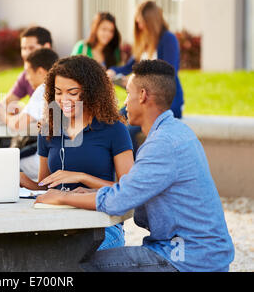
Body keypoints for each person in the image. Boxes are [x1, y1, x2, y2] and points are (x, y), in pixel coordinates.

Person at [36, 60, 235, 272]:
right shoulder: (176, 132)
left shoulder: (162, 144)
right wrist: (95, 189)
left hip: (186, 258)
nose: (124, 103)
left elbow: (119, 200)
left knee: (77, 264)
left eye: (128, 94)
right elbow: (131, 191)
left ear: (142, 96)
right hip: (196, 253)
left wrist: (64, 196)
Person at [20, 55, 134, 250]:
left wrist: (82, 177)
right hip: (59, 223)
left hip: (102, 227)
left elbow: (129, 191)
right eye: (58, 93)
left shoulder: (113, 129)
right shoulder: (49, 128)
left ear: (91, 92)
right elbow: (45, 186)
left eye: (72, 92)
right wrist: (21, 180)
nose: (64, 100)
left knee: (67, 256)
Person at [107, 0, 184, 154]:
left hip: (162, 102)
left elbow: (168, 73)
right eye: (137, 23)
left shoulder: (168, 39)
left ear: (152, 21)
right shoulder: (144, 41)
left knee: (128, 131)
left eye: (142, 23)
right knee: (113, 123)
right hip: (141, 100)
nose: (140, 27)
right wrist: (113, 72)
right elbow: (129, 66)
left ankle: (135, 168)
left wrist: (135, 81)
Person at [0, 48, 59, 180]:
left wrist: (1, 113)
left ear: (41, 72)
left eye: (28, 72)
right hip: (64, 153)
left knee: (4, 165)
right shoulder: (63, 86)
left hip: (48, 159)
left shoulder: (43, 88)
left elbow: (17, 125)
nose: (26, 77)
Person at [0, 26, 53, 115]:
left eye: (31, 48)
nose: (26, 53)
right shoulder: (26, 75)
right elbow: (6, 103)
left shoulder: (61, 76)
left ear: (46, 47)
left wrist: (24, 110)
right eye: (23, 48)